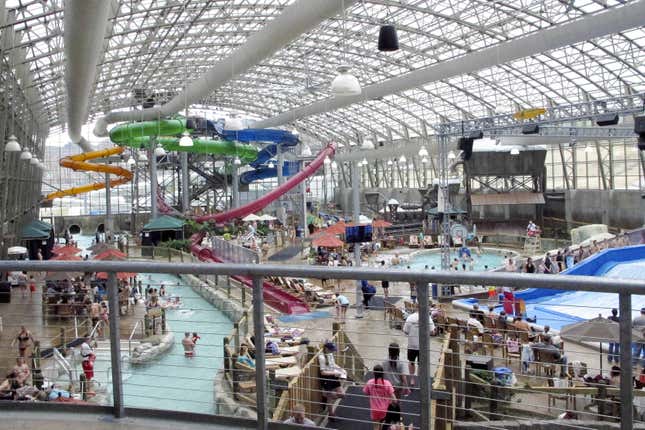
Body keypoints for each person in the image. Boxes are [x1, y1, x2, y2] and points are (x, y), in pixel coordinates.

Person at [403, 309, 435, 386]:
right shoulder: (427, 318)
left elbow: (405, 331)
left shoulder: (410, 317)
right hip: (423, 346)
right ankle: (419, 379)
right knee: (421, 364)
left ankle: (412, 379)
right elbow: (433, 332)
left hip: (412, 345)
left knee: (411, 362)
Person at [363, 364, 397, 430]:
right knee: (383, 424)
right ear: (383, 373)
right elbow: (395, 400)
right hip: (385, 409)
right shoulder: (387, 383)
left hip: (374, 409)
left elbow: (366, 393)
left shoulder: (370, 383)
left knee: (376, 426)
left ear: (373, 373)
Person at [318, 341, 346, 417]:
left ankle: (326, 396)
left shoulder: (330, 354)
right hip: (327, 378)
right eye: (331, 350)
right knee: (330, 398)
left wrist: (340, 369)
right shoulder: (322, 357)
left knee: (342, 394)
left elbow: (333, 364)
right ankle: (331, 414)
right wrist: (334, 373)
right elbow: (323, 372)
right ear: (326, 349)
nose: (332, 351)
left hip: (333, 375)